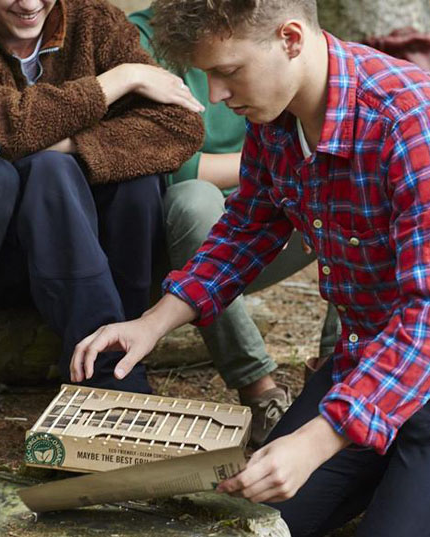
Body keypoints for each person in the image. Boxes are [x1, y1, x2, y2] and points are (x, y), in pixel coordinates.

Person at [71, 0, 430, 537]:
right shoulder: (277, 119)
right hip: (369, 357)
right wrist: (151, 324)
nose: (218, 95)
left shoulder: (414, 121)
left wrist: (316, 440)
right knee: (252, 530)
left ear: (291, 39)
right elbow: (246, 229)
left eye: (227, 71)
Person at [0, 0, 203, 393]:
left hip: (95, 254)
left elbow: (179, 126)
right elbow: (4, 127)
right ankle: (109, 374)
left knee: (130, 177)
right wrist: (120, 79)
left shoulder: (94, 21)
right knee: (48, 172)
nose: (30, 4)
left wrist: (65, 146)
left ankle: (123, 341)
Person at [130, 6, 325, 447]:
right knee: (195, 200)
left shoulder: (267, 35)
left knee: (339, 186)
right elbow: (171, 171)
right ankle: (263, 392)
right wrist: (284, 167)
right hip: (186, 240)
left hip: (265, 216)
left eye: (229, 72)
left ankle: (333, 380)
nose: (216, 95)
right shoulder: (141, 41)